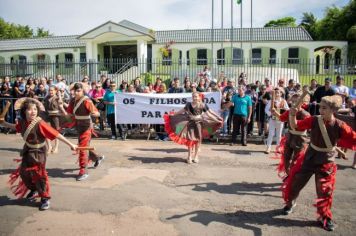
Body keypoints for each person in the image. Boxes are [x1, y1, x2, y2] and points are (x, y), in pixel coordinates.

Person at [283, 95, 356, 231]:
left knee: (325, 191)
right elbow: (296, 126)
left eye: (324, 108)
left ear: (333, 110)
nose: (320, 110)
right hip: (310, 158)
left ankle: (324, 217)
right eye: (320, 107)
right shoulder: (314, 120)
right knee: (296, 183)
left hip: (326, 161)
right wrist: (292, 115)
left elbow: (354, 138)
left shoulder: (341, 126)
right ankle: (290, 203)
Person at [0, 98, 77, 210]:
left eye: (35, 109)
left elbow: (56, 134)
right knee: (24, 173)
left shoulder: (40, 123)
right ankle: (35, 188)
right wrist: (4, 123)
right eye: (30, 110)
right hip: (27, 150)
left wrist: (71, 144)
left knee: (40, 175)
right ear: (24, 111)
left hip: (39, 152)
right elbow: (15, 127)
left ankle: (45, 198)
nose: (33, 112)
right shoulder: (22, 122)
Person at [164, 92, 222, 164]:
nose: (195, 98)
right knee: (190, 139)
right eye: (193, 96)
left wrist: (217, 120)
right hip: (190, 124)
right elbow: (181, 111)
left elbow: (209, 114)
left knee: (198, 140)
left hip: (199, 124)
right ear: (192, 97)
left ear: (199, 97)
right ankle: (189, 156)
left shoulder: (202, 105)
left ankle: (196, 156)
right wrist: (173, 114)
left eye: (196, 96)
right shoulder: (188, 105)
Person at [65, 83, 105, 181]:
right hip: (78, 126)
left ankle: (83, 171)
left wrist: (95, 113)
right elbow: (69, 114)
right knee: (83, 145)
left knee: (82, 147)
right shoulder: (72, 101)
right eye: (75, 91)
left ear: (82, 91)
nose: (77, 93)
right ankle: (98, 157)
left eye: (79, 91)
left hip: (87, 126)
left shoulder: (86, 101)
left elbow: (97, 113)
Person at [272, 92, 311, 177]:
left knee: (296, 160)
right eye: (292, 102)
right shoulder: (289, 111)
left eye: (296, 101)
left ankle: (293, 177)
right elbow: (282, 118)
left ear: (302, 103)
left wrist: (293, 115)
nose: (293, 104)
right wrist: (276, 113)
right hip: (290, 137)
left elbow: (299, 125)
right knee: (286, 158)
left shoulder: (306, 114)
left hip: (300, 139)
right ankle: (289, 175)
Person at [264, 87, 289, 154]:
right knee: (271, 134)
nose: (277, 94)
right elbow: (266, 109)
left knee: (279, 135)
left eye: (278, 93)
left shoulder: (284, 101)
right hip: (272, 119)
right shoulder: (271, 101)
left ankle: (278, 148)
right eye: (275, 93)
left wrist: (284, 109)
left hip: (280, 120)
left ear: (281, 94)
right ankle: (268, 147)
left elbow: (287, 109)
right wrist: (270, 114)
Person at [43, 86, 67, 153]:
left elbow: (61, 105)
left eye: (52, 90)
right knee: (46, 131)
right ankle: (49, 147)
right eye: (50, 90)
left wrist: (59, 96)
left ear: (55, 91)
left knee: (56, 132)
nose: (51, 92)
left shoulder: (57, 98)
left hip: (56, 117)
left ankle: (56, 147)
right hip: (47, 116)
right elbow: (44, 107)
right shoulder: (46, 98)